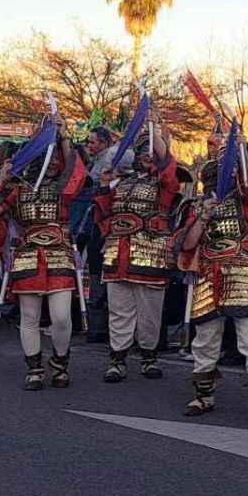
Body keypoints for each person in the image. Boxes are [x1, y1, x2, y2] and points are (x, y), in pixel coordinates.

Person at [176, 130, 248, 425]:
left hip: (241, 273)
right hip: (208, 273)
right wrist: (204, 217)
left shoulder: (243, 199)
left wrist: (241, 148)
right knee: (206, 339)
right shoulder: (194, 206)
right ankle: (204, 395)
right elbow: (186, 244)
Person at [0, 127, 85, 390]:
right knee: (29, 316)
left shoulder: (62, 189)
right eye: (46, 157)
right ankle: (34, 368)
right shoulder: (17, 190)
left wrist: (64, 138)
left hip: (59, 255)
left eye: (55, 158)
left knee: (61, 316)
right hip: (28, 256)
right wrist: (1, 181)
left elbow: (77, 174)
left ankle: (60, 362)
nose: (52, 163)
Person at [93, 119, 181, 382]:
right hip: (118, 251)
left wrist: (152, 127)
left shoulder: (166, 183)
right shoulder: (123, 182)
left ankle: (149, 357)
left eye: (151, 151)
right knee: (119, 309)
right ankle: (117, 359)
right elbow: (105, 212)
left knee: (150, 311)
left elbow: (167, 165)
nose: (147, 155)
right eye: (142, 150)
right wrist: (105, 185)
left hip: (151, 252)